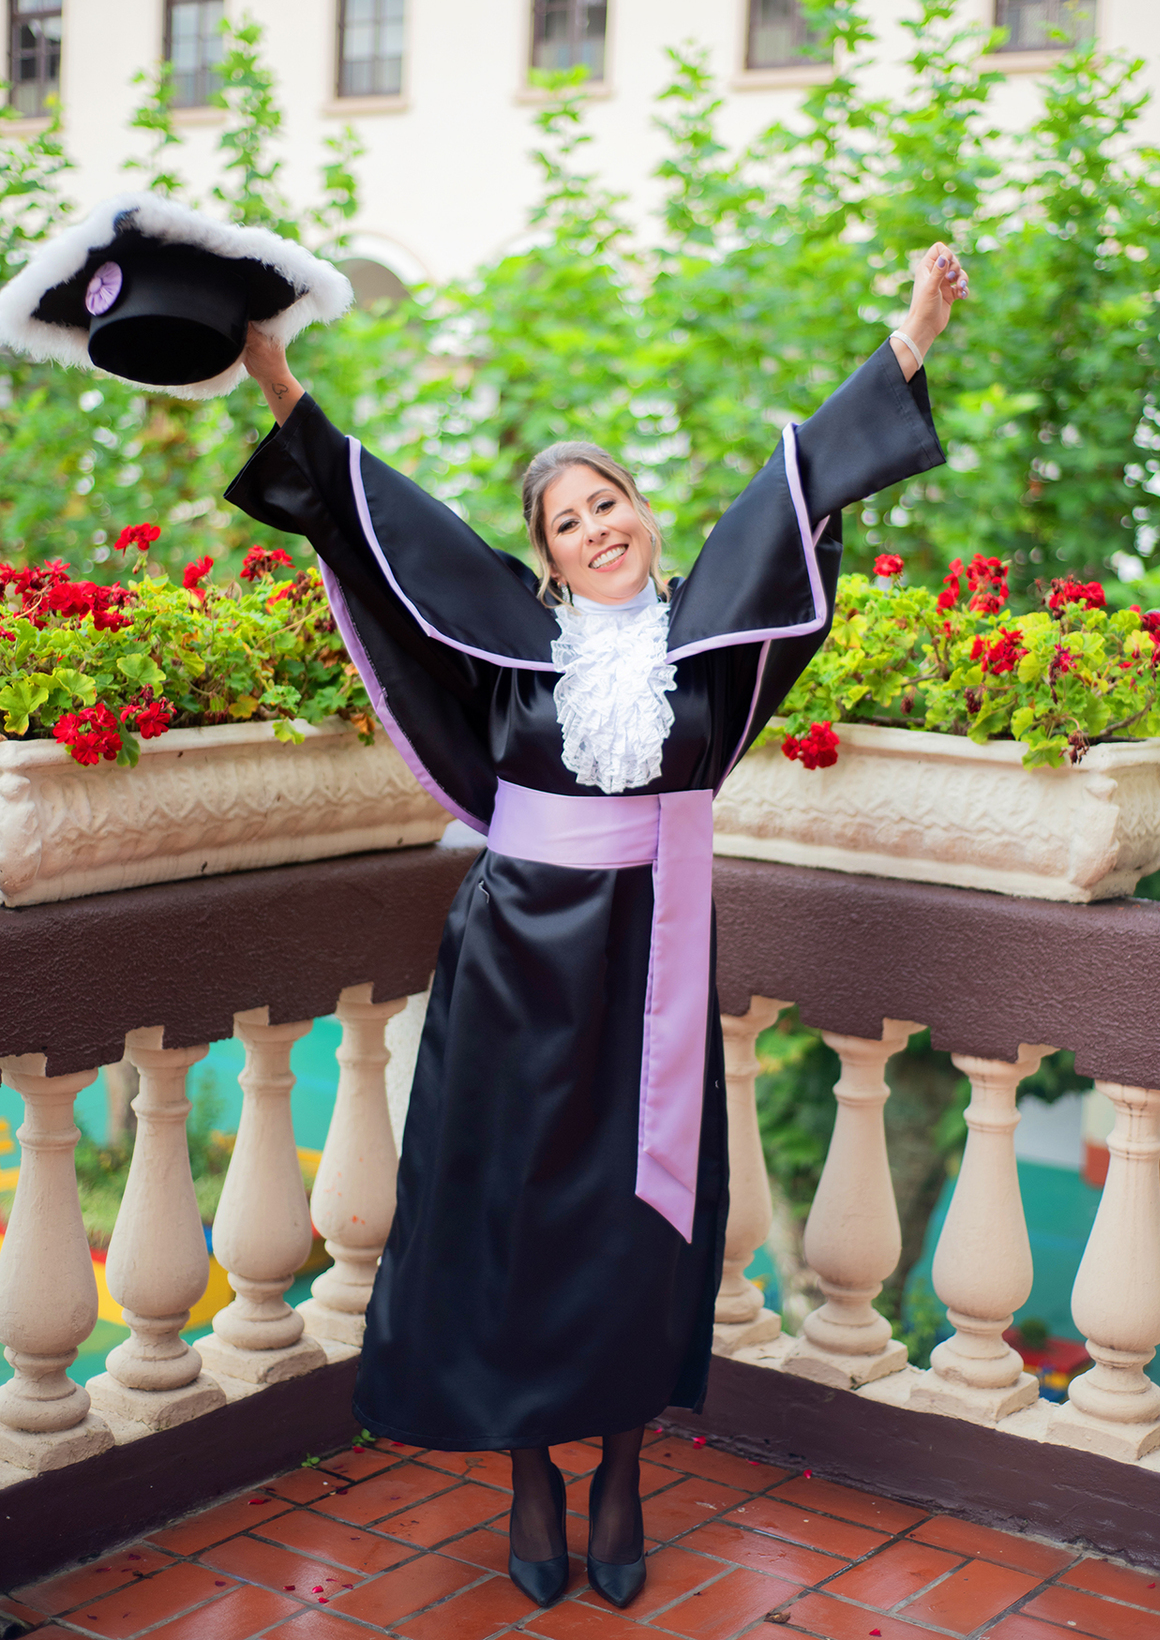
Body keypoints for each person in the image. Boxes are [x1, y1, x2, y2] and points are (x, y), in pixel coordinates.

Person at [225, 241, 968, 1610]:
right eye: (567, 518)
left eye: (609, 499)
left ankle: (620, 1469)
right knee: (510, 1220)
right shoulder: (508, 637)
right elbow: (387, 531)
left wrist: (908, 341)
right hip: (513, 968)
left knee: (642, 1224)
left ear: (642, 509)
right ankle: (529, 1473)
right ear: (548, 553)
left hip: (653, 963)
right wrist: (277, 379)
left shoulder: (709, 634)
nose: (596, 525)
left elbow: (792, 504)